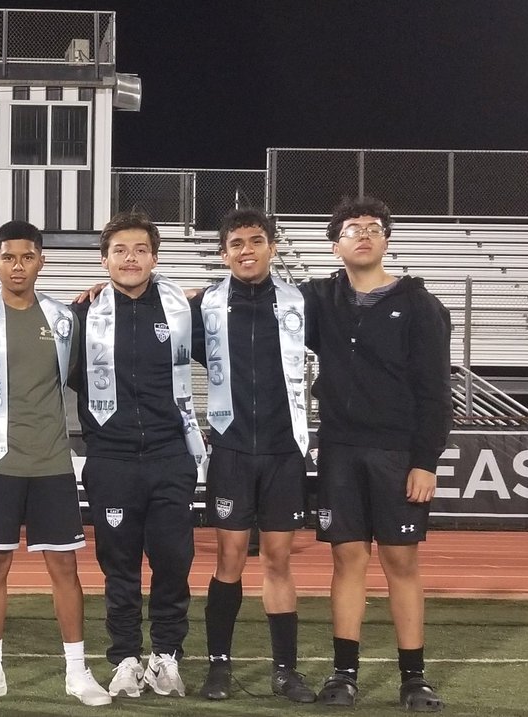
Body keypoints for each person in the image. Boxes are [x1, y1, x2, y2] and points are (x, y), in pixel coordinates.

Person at [0, 220, 111, 707]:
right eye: (8, 257)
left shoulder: (63, 320)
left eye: (27, 256)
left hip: (52, 461)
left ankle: (77, 673)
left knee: (64, 567)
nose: (18, 266)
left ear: (41, 261)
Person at [305, 197, 450, 712]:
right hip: (340, 448)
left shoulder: (419, 304)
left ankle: (415, 679)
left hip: (397, 451)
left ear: (386, 239)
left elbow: (436, 389)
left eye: (373, 228)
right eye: (351, 228)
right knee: (347, 560)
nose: (363, 235)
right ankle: (344, 675)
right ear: (335, 243)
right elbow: (253, 300)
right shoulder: (319, 297)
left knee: (401, 561)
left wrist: (425, 460)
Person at [71, 210, 206, 701]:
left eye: (140, 250)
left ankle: (167, 655)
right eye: (120, 250)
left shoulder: (182, 309)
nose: (130, 258)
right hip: (111, 456)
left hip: (172, 453)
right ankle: (125, 658)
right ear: (104, 259)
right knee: (120, 564)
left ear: (155, 256)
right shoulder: (81, 315)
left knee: (173, 560)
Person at [188, 209, 316, 703]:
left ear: (273, 247)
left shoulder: (301, 303)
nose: (246, 250)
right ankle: (219, 666)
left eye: (256, 241)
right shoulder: (206, 307)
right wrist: (94, 295)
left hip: (285, 450)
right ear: (223, 253)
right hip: (233, 448)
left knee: (280, 561)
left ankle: (286, 670)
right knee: (230, 559)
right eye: (236, 243)